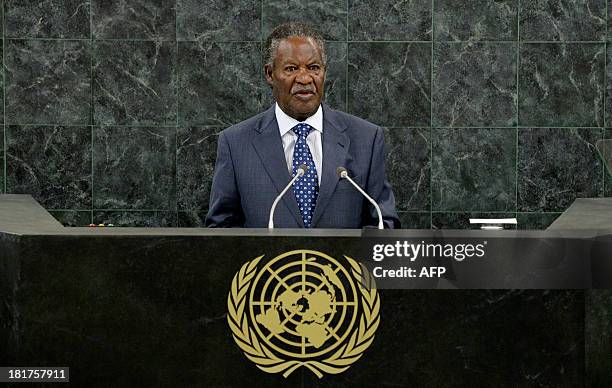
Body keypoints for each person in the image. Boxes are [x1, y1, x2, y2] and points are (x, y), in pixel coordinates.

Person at [205, 22, 400, 229]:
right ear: (270, 74)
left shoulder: (366, 139)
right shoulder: (236, 143)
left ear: (324, 72)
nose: (305, 78)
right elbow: (221, 229)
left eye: (313, 67)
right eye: (291, 68)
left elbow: (383, 222)